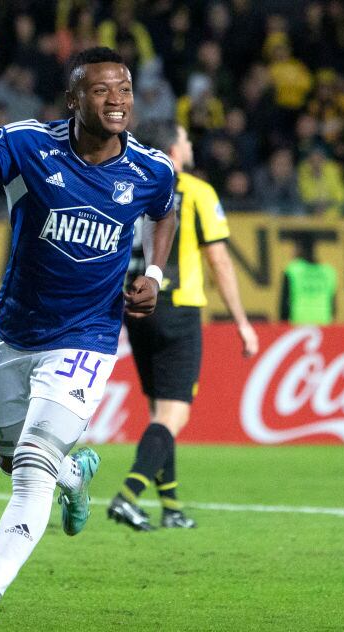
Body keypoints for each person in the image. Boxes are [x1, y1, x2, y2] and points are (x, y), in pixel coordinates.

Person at [0, 37, 177, 632]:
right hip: (15, 333)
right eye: (101, 89)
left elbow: (166, 209)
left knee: (28, 470)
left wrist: (155, 274)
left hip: (86, 338)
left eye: (123, 90)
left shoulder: (150, 168)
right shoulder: (29, 145)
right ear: (74, 100)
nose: (116, 101)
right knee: (13, 457)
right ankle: (76, 472)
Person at [108, 120, 259, 532]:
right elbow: (220, 261)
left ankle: (171, 507)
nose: (190, 143)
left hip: (135, 305)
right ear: (173, 150)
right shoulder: (196, 192)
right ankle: (127, 496)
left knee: (159, 410)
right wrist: (242, 322)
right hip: (178, 306)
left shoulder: (128, 185)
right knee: (173, 415)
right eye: (185, 138)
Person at [279, 235, 337, 324]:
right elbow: (333, 304)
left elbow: (284, 303)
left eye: (293, 249)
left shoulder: (292, 270)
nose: (291, 252)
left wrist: (283, 326)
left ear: (299, 249)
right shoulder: (328, 271)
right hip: (324, 322)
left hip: (298, 323)